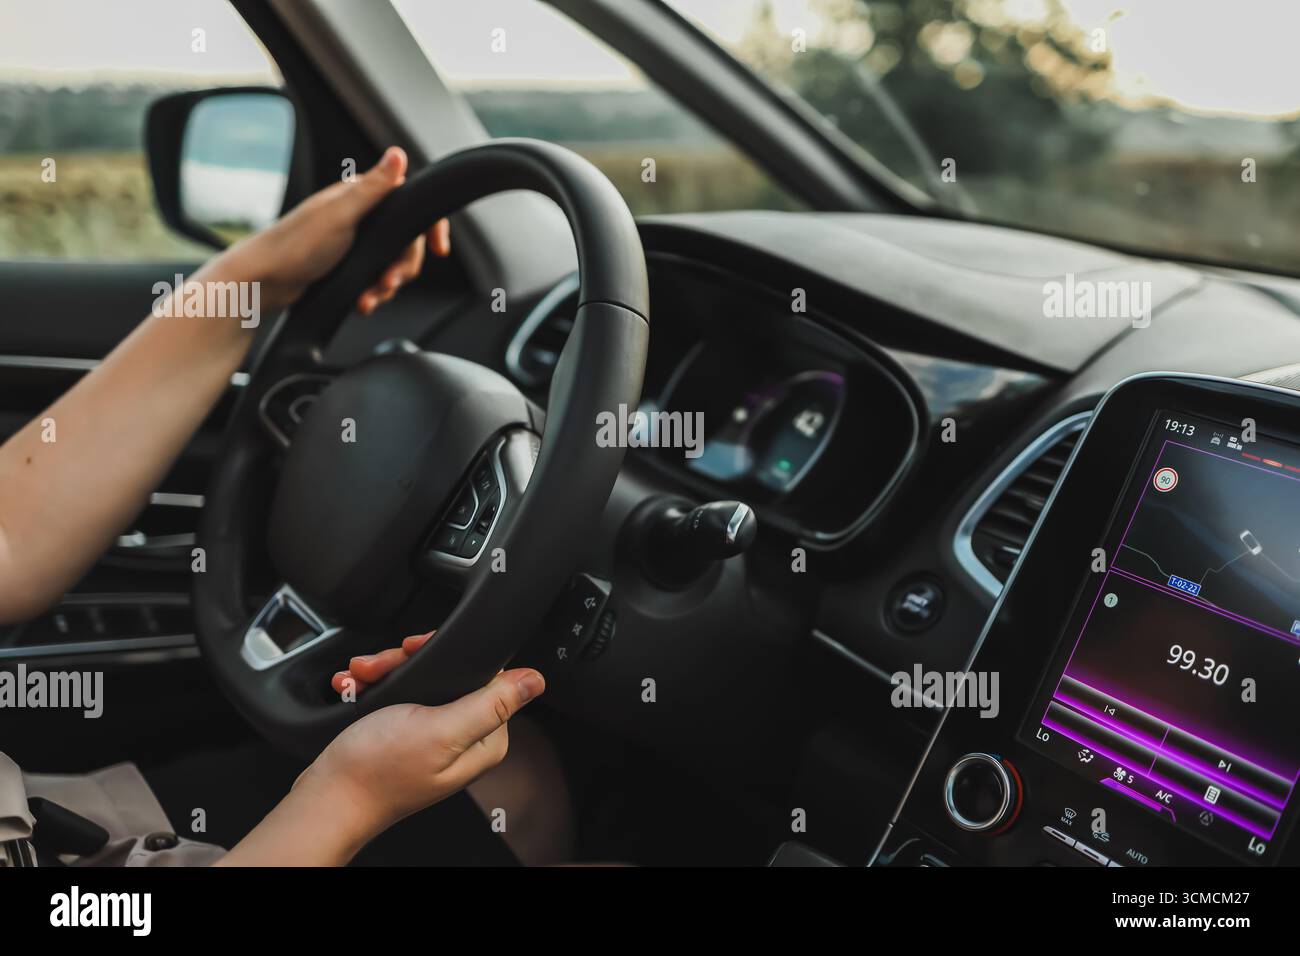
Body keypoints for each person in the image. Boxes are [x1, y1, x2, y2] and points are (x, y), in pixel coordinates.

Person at [0, 147, 567, 866]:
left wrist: (256, 275)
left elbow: (8, 540)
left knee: (510, 786)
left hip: (44, 822)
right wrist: (350, 796)